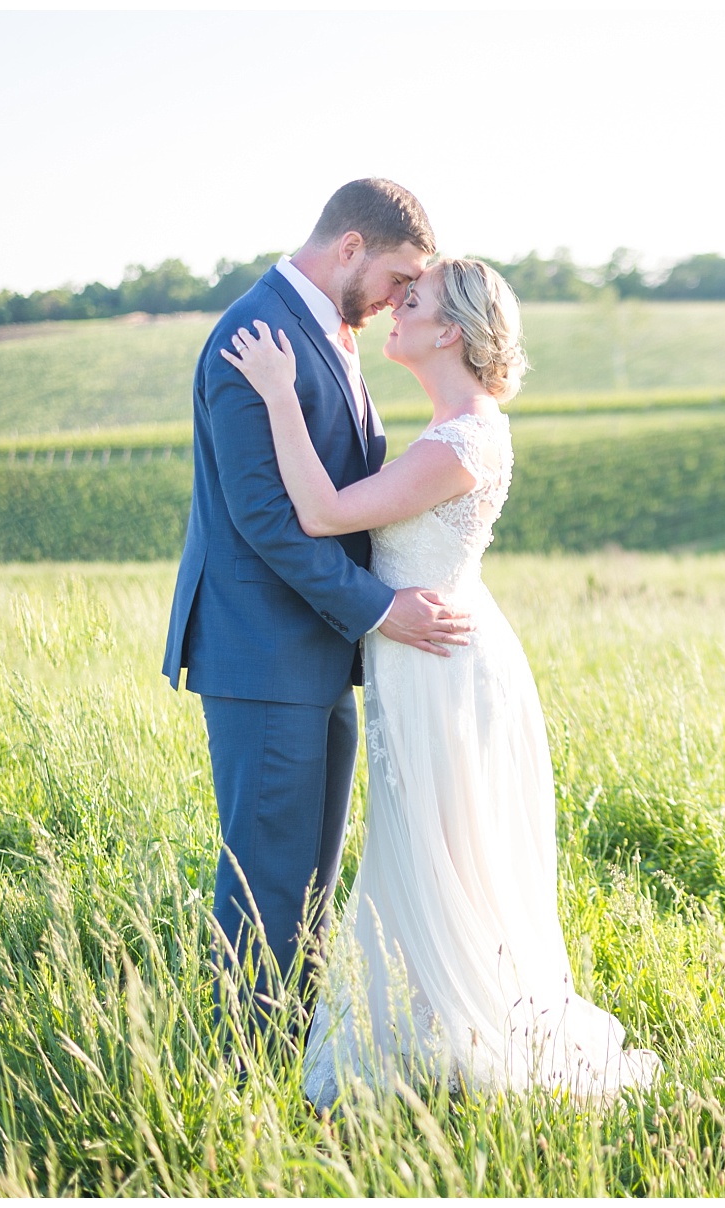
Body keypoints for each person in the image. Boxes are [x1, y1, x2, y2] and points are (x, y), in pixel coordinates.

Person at [220, 257, 659, 1108]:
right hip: (433, 656)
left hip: (440, 669)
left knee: (440, 851)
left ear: (448, 330)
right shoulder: (457, 425)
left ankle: (466, 1037)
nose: (393, 311)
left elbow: (321, 515)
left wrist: (279, 393)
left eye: (410, 302)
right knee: (438, 853)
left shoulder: (460, 441)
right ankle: (437, 1029)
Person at [161, 179, 476, 1041]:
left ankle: (293, 1053)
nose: (398, 300)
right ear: (350, 249)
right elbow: (266, 517)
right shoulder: (252, 334)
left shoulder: (331, 333)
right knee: (266, 876)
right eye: (397, 278)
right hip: (263, 653)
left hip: (319, 649)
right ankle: (241, 1066)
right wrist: (379, 610)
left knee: (308, 880)